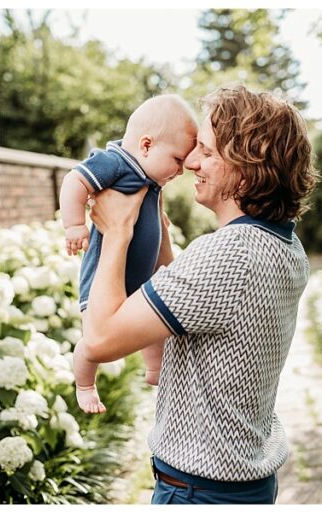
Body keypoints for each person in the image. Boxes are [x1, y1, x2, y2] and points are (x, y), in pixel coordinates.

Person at [79, 85, 318, 504]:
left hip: (198, 492)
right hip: (242, 484)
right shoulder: (285, 246)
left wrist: (116, 233)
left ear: (248, 165)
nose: (190, 162)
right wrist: (159, 238)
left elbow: (98, 339)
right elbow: (193, 300)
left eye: (206, 151)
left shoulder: (229, 254)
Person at [62, 94, 198, 414]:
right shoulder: (117, 163)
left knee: (154, 325)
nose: (182, 170)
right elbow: (74, 180)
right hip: (103, 281)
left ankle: (155, 371)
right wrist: (74, 226)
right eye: (178, 160)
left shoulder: (152, 180)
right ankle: (85, 384)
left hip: (139, 280)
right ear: (147, 145)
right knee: (95, 348)